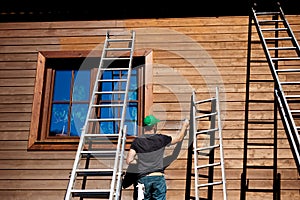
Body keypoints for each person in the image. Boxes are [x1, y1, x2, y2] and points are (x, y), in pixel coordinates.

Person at [125, 114, 189, 200]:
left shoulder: (137, 141)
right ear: (154, 126)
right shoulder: (161, 139)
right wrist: (185, 126)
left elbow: (129, 161)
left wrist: (140, 162)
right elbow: (178, 139)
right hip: (157, 178)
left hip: (142, 180)